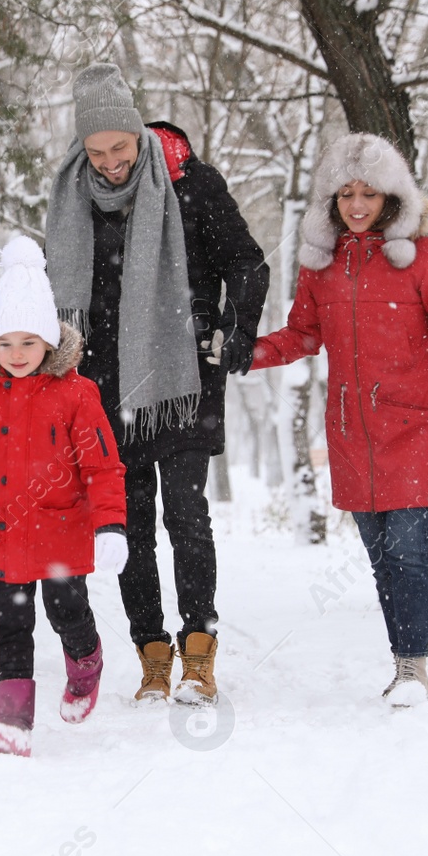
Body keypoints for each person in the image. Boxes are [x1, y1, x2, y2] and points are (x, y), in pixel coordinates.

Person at [247, 132, 428, 707]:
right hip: (352, 434)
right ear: (332, 201)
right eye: (346, 194)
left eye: (369, 193)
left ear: (391, 198)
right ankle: (402, 663)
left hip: (417, 427)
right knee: (381, 556)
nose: (357, 205)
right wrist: (246, 354)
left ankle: (413, 672)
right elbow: (304, 334)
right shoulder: (324, 265)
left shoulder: (426, 259)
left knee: (409, 552)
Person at [45, 63, 268, 709]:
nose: (112, 163)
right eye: (98, 152)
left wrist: (237, 332)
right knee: (127, 525)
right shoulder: (70, 197)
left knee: (186, 517)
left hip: (180, 379)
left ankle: (199, 652)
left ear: (138, 133)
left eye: (121, 147)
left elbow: (247, 264)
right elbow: (47, 299)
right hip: (103, 387)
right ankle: (152, 658)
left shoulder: (188, 183)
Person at [0, 236, 128, 757]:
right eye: (5, 343)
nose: (16, 354)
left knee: (67, 613)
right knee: (10, 627)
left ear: (48, 340)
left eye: (28, 342)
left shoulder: (75, 394)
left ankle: (85, 662)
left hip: (63, 532)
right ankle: (13, 724)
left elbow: (102, 465)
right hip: (5, 534)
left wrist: (111, 524)